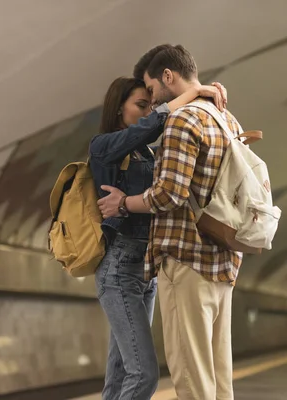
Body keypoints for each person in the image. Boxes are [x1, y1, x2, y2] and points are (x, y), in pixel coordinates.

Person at [98, 44, 245, 400]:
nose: (152, 104)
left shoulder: (183, 121)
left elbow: (169, 194)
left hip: (186, 259)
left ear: (167, 76)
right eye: (143, 101)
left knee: (190, 378)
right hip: (220, 260)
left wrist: (125, 204)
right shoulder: (226, 117)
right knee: (216, 376)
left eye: (151, 91)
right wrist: (196, 93)